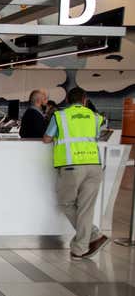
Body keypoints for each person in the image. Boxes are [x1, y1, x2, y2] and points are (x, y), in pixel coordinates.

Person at [43, 87, 109, 260]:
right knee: (86, 208)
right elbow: (98, 134)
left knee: (66, 203)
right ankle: (82, 247)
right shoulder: (95, 117)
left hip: (72, 166)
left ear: (67, 101)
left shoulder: (60, 116)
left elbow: (46, 139)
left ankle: (92, 237)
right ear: (85, 100)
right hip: (94, 165)